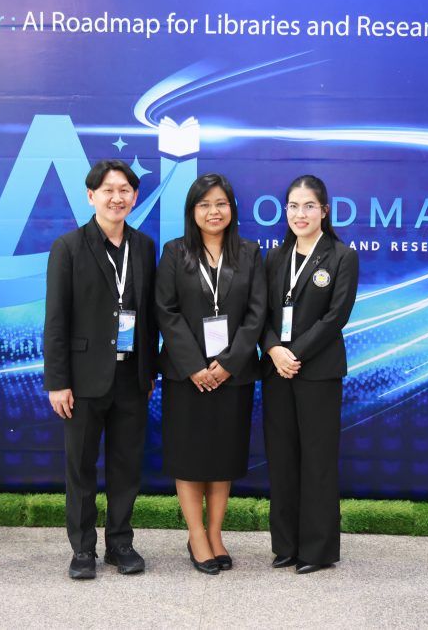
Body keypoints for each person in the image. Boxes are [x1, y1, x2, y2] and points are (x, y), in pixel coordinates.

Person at [43, 159, 158, 580]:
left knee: (126, 466)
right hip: (83, 379)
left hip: (131, 378)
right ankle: (82, 549)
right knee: (81, 467)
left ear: (135, 196)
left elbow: (149, 316)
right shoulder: (68, 247)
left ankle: (120, 543)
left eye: (125, 190)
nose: (117, 197)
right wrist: (58, 382)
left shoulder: (144, 246)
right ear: (91, 196)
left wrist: (149, 371)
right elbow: (56, 319)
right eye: (108, 190)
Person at [155, 173, 267, 575]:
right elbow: (165, 312)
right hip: (186, 376)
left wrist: (229, 363)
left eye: (220, 203)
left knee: (223, 457)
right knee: (189, 458)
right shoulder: (174, 252)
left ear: (232, 208)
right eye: (204, 204)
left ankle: (216, 534)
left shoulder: (250, 253)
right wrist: (195, 367)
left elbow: (257, 313)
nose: (213, 211)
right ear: (192, 211)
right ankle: (196, 535)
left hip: (232, 375)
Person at [260, 174, 359, 574]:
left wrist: (293, 354)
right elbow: (259, 313)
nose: (300, 214)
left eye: (308, 206)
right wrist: (273, 350)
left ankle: (316, 550)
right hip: (276, 371)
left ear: (324, 211)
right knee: (282, 459)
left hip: (317, 371)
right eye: (293, 206)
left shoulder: (341, 256)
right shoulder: (274, 257)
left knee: (317, 460)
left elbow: (336, 317)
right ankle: (285, 545)